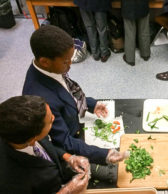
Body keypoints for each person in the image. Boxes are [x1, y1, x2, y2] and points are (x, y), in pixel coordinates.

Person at [22, 25, 127, 166]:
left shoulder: (48, 69)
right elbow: (64, 141)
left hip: (73, 124)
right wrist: (104, 154)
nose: (70, 64)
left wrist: (90, 104)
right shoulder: (42, 100)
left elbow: (66, 90)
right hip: (69, 143)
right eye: (66, 61)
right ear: (45, 62)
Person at [0, 95, 90, 194]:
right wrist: (66, 192)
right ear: (32, 138)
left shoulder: (22, 131)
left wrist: (68, 157)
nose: (54, 117)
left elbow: (47, 144)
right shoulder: (11, 183)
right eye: (50, 121)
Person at [121, 0, 151, 66]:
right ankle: (146, 54)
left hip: (128, 5)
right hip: (143, 4)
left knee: (130, 33)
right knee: (144, 29)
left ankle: (130, 59)